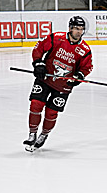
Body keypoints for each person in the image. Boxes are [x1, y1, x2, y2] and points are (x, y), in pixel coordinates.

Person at [24, 16, 94, 152]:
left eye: (81, 29)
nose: (79, 32)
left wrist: (78, 76)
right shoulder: (56, 38)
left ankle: (44, 134)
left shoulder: (85, 50)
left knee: (51, 113)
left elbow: (87, 67)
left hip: (63, 86)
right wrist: (38, 64)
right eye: (76, 29)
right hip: (45, 78)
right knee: (36, 104)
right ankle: (32, 134)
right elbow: (38, 49)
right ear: (70, 28)